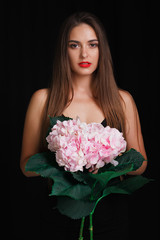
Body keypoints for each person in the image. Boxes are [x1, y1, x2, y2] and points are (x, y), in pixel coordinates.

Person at [20, 12, 147, 239]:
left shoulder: (122, 100)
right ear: (64, 51)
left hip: (111, 219)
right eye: (74, 45)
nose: (84, 53)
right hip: (58, 219)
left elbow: (140, 165)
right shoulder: (42, 99)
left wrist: (105, 163)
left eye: (92, 44)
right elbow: (26, 166)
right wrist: (67, 157)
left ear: (102, 50)